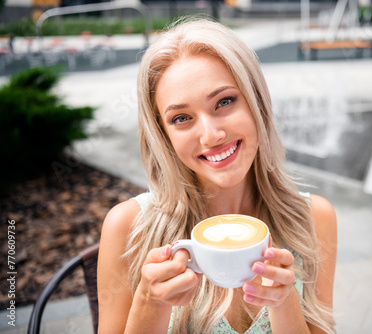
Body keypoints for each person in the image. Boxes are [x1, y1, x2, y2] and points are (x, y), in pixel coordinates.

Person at [97, 17, 337, 334]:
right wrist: (149, 302)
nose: (211, 135)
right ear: (163, 134)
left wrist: (284, 302)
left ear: (257, 102)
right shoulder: (128, 228)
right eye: (181, 118)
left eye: (224, 101)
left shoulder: (314, 218)